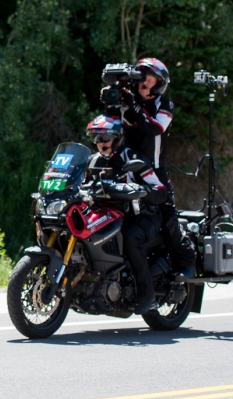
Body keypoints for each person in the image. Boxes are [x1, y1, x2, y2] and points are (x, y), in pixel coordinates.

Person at [108, 58, 196, 280]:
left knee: (168, 218)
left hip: (155, 172)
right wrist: (112, 95)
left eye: (150, 80)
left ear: (158, 83)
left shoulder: (164, 105)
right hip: (126, 170)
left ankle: (187, 263)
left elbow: (153, 129)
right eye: (142, 79)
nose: (145, 84)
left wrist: (132, 104)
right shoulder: (127, 102)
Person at [86, 115, 168, 314]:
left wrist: (138, 190)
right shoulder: (92, 161)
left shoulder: (134, 159)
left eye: (105, 138)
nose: (100, 143)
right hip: (111, 216)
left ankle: (146, 294)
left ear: (118, 138)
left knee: (131, 238)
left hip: (144, 216)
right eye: (97, 139)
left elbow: (160, 189)